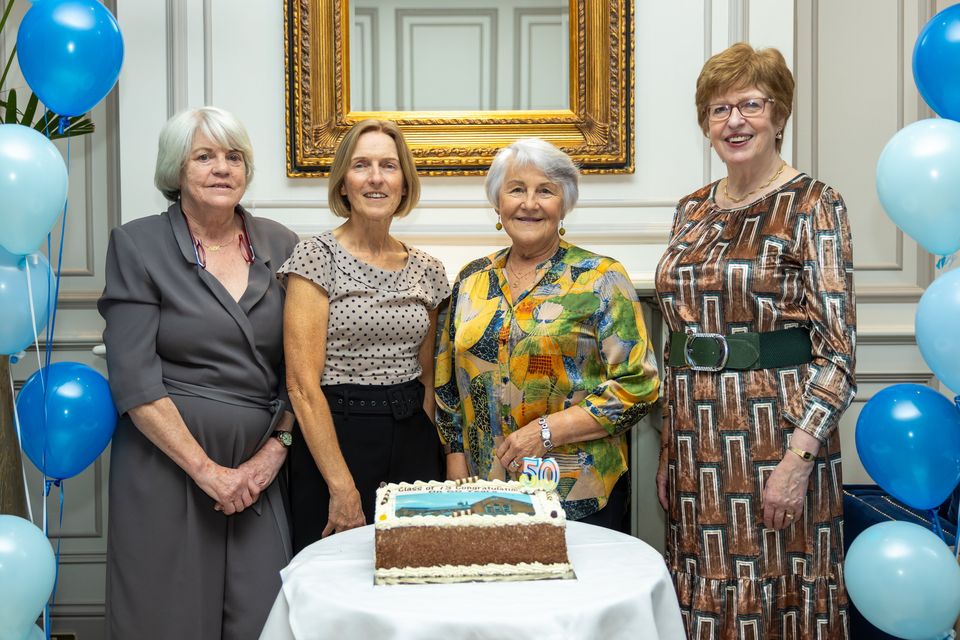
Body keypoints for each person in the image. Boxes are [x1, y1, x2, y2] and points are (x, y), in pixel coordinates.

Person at [655, 43, 856, 638]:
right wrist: (670, 444)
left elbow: (839, 352)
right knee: (705, 580)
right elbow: (677, 336)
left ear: (779, 113)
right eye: (718, 109)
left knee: (776, 583)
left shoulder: (815, 205)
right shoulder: (690, 209)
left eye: (749, 104)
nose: (734, 121)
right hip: (697, 439)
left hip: (776, 433)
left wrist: (799, 459)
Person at [98, 107, 299, 639]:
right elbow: (134, 378)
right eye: (204, 156)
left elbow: (301, 370)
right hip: (166, 467)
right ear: (176, 170)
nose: (222, 168)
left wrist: (269, 457)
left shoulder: (282, 245)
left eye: (234, 157)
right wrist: (208, 472)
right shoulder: (137, 244)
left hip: (260, 474)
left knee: (266, 617)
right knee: (166, 617)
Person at [435, 138, 660, 530]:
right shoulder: (472, 279)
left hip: (578, 494)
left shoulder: (600, 278)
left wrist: (545, 432)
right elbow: (447, 385)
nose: (530, 203)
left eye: (546, 191)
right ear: (498, 203)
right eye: (517, 189)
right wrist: (456, 461)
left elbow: (639, 387)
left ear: (563, 205)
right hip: (486, 493)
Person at [281, 119, 450, 552]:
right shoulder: (315, 255)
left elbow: (428, 376)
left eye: (389, 166)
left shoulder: (428, 269)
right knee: (335, 577)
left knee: (417, 571)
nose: (376, 177)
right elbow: (302, 386)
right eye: (361, 165)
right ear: (343, 184)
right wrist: (341, 486)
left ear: (404, 183)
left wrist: (428, 450)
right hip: (337, 434)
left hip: (412, 434)